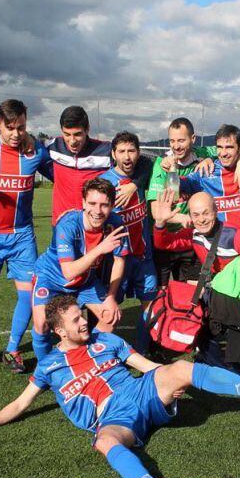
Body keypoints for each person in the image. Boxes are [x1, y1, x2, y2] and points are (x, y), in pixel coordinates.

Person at [0, 294, 240, 478]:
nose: (84, 322)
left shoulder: (107, 341)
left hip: (140, 392)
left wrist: (173, 382)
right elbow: (20, 404)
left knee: (183, 368)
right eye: (74, 321)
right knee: (104, 441)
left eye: (82, 316)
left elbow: (146, 366)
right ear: (58, 331)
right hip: (113, 417)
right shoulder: (49, 366)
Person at [0, 99, 54, 374]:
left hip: (21, 236)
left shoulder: (35, 150)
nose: (16, 134)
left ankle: (14, 348)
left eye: (22, 128)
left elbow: (63, 173)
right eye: (10, 128)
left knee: (29, 295)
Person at [152, 189, 240, 379]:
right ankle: (218, 364)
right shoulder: (193, 234)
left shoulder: (235, 235)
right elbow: (164, 244)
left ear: (216, 211)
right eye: (196, 214)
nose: (202, 219)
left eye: (206, 213)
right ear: (189, 216)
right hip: (219, 294)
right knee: (204, 321)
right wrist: (160, 222)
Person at [31, 178, 130, 360]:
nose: (97, 211)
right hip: (51, 277)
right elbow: (69, 272)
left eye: (104, 205)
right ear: (83, 202)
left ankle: (85, 361)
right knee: (42, 324)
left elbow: (119, 260)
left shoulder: (117, 224)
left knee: (110, 316)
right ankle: (46, 370)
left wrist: (110, 297)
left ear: (112, 205)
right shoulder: (68, 225)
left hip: (85, 282)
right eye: (92, 203)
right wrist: (100, 248)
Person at [100, 132, 158, 354]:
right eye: (121, 151)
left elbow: (153, 163)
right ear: (113, 154)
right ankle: (103, 354)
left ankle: (143, 350)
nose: (127, 156)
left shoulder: (145, 175)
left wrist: (134, 184)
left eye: (131, 151)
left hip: (144, 257)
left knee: (149, 305)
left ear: (138, 153)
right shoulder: (105, 182)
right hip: (117, 260)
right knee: (110, 307)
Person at [47, 106, 150, 224]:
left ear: (87, 130)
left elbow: (144, 162)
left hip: (93, 224)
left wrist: (134, 184)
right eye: (67, 134)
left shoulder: (105, 150)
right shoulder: (53, 146)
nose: (72, 141)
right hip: (62, 224)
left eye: (77, 134)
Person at [146, 118, 218, 287]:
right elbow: (157, 213)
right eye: (172, 141)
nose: (176, 146)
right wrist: (182, 219)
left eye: (181, 140)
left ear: (193, 139)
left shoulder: (203, 153)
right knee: (161, 294)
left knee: (190, 292)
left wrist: (210, 160)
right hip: (164, 240)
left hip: (190, 240)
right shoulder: (161, 165)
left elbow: (228, 148)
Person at [179, 124, 240, 233]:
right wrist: (170, 164)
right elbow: (177, 185)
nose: (223, 153)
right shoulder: (206, 171)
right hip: (218, 247)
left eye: (229, 147)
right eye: (219, 147)